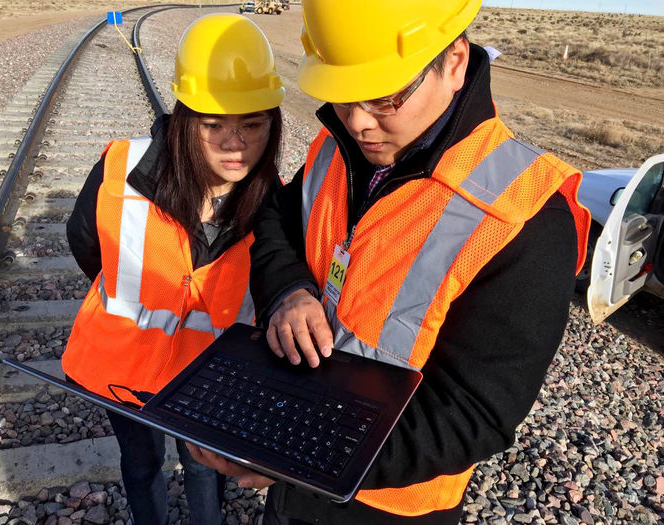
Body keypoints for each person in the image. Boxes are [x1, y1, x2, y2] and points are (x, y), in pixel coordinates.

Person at [190, 0, 592, 524]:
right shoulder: (337, 147)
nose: (358, 122)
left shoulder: (523, 215)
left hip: (389, 505)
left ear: (453, 61)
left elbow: (474, 413)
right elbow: (277, 223)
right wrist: (290, 290)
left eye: (385, 97)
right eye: (343, 95)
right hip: (294, 471)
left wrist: (301, 454)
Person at [62, 13, 284, 525]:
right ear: (185, 116)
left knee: (203, 468)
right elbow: (86, 244)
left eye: (252, 125)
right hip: (122, 369)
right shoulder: (121, 168)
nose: (234, 144)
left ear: (273, 124)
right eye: (213, 125)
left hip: (206, 376)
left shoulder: (272, 198)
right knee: (140, 466)